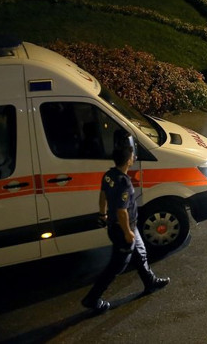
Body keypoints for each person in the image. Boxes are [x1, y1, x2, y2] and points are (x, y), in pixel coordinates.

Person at [81, 130, 170, 313]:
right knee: (117, 266)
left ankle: (150, 282)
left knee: (141, 253)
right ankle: (93, 298)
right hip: (123, 229)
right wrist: (128, 233)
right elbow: (122, 211)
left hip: (125, 226)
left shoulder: (109, 175)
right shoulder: (123, 182)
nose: (133, 156)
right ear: (128, 159)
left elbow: (103, 195)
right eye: (132, 154)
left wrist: (102, 214)